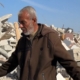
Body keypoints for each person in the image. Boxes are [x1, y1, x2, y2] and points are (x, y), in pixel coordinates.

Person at [0, 6, 80, 80]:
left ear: (34, 20)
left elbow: (69, 63)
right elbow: (9, 64)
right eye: (19, 23)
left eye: (23, 22)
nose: (20, 26)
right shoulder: (22, 41)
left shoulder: (49, 37)